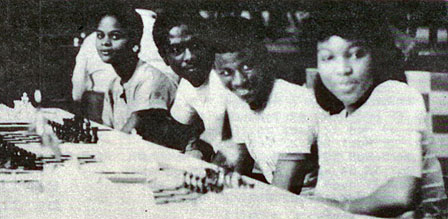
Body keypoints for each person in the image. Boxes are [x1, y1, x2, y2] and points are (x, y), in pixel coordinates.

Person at [307, 2, 447, 217]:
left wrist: (340, 208)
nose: (343, 70)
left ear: (377, 56)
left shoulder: (395, 96)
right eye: (328, 58)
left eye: (356, 54)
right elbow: (328, 196)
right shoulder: (334, 120)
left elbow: (401, 195)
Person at [212, 17, 324, 193]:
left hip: (318, 204)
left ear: (265, 61)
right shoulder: (238, 99)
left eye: (248, 67)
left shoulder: (293, 102)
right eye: (226, 72)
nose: (239, 81)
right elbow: (238, 161)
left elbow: (284, 194)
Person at [71, 8, 178, 122]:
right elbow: (110, 132)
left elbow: (131, 132)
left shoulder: (150, 79)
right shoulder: (114, 84)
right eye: (100, 35)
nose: (105, 42)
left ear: (134, 40)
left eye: (115, 36)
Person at [149, 9, 228, 161]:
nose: (190, 56)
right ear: (164, 57)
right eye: (177, 50)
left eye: (196, 45)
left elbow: (238, 153)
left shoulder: (228, 79)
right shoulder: (187, 84)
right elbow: (179, 135)